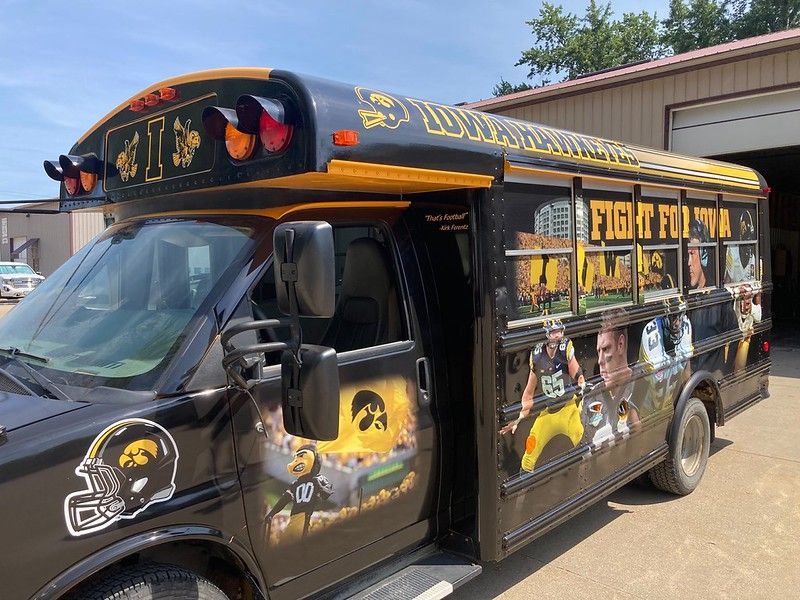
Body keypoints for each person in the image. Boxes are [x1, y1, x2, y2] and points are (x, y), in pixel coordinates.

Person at [501, 319, 587, 472]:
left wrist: (581, 385)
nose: (558, 335)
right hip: (549, 412)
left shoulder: (565, 350)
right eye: (554, 332)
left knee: (579, 439)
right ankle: (525, 484)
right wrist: (518, 419)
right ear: (546, 334)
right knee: (530, 452)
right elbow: (528, 394)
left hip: (568, 408)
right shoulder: (537, 356)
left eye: (559, 331)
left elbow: (577, 373)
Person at [583, 309, 640, 446]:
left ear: (620, 344)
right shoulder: (590, 398)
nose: (599, 361)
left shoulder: (641, 383)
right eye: (598, 351)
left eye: (606, 349)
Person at [638, 300, 693, 417]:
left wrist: (683, 405)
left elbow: (686, 370)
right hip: (648, 409)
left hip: (670, 404)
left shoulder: (686, 327)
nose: (677, 323)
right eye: (674, 317)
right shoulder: (651, 336)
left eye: (680, 316)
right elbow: (640, 387)